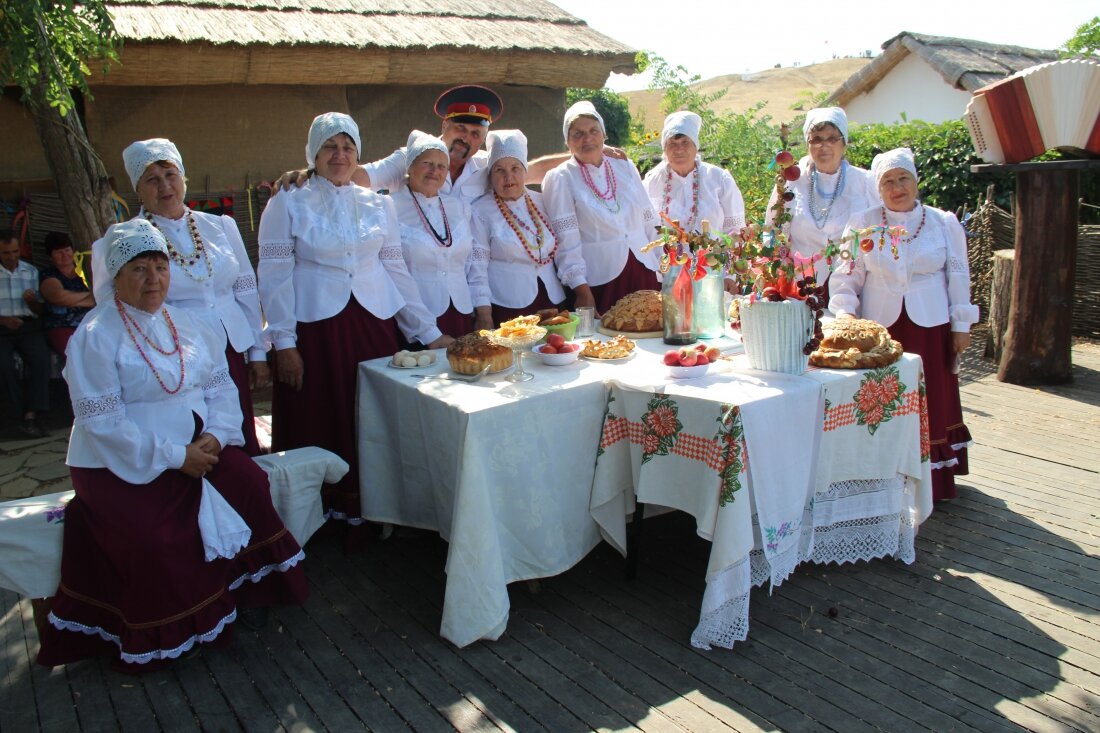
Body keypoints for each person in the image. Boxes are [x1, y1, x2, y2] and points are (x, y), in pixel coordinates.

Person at [37, 219, 308, 673]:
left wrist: (217, 437)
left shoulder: (186, 322)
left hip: (197, 446)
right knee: (156, 536)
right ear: (116, 276)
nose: (153, 279)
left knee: (247, 482)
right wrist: (175, 456)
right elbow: (102, 423)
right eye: (139, 269)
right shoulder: (94, 335)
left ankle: (243, 592)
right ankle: (180, 625)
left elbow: (221, 389)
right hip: (118, 462)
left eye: (160, 268)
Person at [258, 112, 444, 523]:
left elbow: (396, 270)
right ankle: (322, 511)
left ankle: (380, 506)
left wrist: (428, 332)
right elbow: (274, 276)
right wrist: (284, 344)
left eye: (347, 147)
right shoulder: (287, 200)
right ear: (313, 153)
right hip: (317, 330)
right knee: (324, 413)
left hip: (372, 326)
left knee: (372, 413)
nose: (339, 155)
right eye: (330, 146)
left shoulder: (377, 204)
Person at [90, 139, 268, 456]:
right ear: (138, 189)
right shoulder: (122, 239)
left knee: (234, 430)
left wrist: (257, 352)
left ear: (183, 177)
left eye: (170, 175)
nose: (165, 186)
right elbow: (111, 305)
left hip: (230, 348)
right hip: (172, 358)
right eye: (152, 179)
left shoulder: (219, 226)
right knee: (192, 432)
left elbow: (245, 287)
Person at [830, 147, 979, 502]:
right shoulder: (862, 221)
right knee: (884, 401)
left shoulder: (943, 222)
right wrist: (845, 315)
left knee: (932, 399)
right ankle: (886, 477)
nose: (897, 187)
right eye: (888, 182)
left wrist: (961, 324)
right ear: (878, 190)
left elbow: (959, 274)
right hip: (881, 328)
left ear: (915, 181)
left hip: (931, 326)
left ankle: (933, 483)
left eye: (903, 179)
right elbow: (847, 274)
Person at [542, 100, 661, 314]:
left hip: (644, 269)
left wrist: (666, 267)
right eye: (577, 133)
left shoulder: (624, 166)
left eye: (593, 131)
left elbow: (649, 220)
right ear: (567, 142)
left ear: (604, 135)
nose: (587, 138)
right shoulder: (561, 177)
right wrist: (581, 290)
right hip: (602, 280)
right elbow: (565, 240)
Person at [470, 129, 593, 324]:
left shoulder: (542, 201)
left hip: (552, 298)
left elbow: (565, 243)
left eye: (515, 168)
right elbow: (477, 267)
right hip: (508, 305)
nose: (508, 177)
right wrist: (484, 314)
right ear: (490, 174)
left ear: (525, 171)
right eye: (499, 170)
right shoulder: (479, 210)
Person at [390, 130, 493, 337]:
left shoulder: (459, 208)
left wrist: (482, 311)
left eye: (441, 166)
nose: (434, 171)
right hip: (416, 317)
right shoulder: (391, 207)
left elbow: (472, 265)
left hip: (461, 313)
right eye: (427, 163)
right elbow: (394, 275)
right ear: (410, 166)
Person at [766, 107, 879, 286]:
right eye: (817, 139)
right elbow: (771, 232)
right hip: (801, 284)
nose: (824, 146)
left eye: (832, 138)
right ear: (808, 145)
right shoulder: (791, 182)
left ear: (844, 143)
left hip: (854, 286)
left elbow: (881, 233)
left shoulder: (866, 183)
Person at [643, 111, 745, 237]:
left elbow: (735, 230)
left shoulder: (719, 179)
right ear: (664, 149)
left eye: (685, 142)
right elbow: (644, 227)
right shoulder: (651, 182)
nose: (679, 149)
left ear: (695, 146)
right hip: (664, 256)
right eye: (672, 144)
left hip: (714, 255)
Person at [0, 231, 50, 437]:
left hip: (28, 326)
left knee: (41, 360)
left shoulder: (30, 272)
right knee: (4, 365)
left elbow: (41, 310)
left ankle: (32, 414)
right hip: (2, 329)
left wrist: (32, 303)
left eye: (14, 251)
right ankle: (17, 416)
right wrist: (3, 320)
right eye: (5, 253)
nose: (11, 257)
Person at [39, 232, 95, 356]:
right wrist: (92, 297)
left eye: (67, 250)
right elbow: (59, 297)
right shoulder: (48, 275)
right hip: (61, 326)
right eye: (59, 252)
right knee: (75, 354)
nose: (65, 255)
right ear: (50, 256)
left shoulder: (85, 270)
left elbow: (105, 296)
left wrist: (72, 299)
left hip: (90, 325)